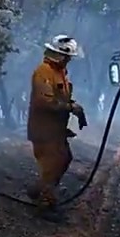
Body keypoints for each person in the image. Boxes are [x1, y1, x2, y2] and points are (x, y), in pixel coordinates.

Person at [26, 35, 85, 218]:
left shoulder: (59, 73)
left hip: (56, 131)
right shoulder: (43, 72)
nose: (69, 61)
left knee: (65, 158)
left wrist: (74, 108)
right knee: (52, 165)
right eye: (67, 57)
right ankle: (45, 205)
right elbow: (45, 102)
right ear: (59, 55)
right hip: (44, 131)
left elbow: (62, 98)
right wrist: (70, 107)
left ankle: (38, 190)